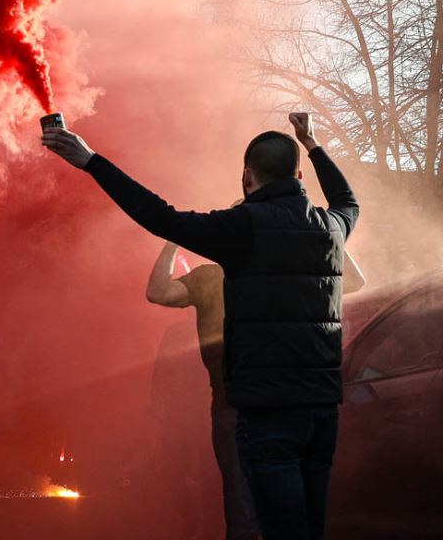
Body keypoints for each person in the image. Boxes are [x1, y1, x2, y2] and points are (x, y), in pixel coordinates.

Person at [43, 113, 358, 540]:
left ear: (247, 175)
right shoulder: (331, 229)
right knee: (308, 525)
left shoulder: (241, 228)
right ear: (299, 174)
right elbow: (347, 200)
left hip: (266, 410)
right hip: (321, 410)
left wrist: (92, 160)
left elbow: (161, 217)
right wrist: (313, 143)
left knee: (261, 524)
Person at [147, 236, 366, 540]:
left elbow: (354, 280)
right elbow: (158, 291)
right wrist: (174, 240)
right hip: (239, 407)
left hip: (283, 406)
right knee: (246, 514)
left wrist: (325, 231)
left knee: (280, 511)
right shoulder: (211, 277)